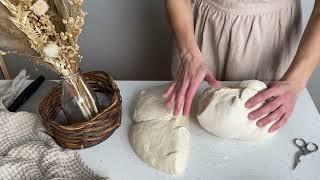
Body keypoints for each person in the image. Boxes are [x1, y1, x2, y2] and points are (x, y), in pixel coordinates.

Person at [163, 0, 320, 133]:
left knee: (264, 115)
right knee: (187, 121)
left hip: (272, 35)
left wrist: (295, 81)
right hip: (197, 31)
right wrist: (189, 54)